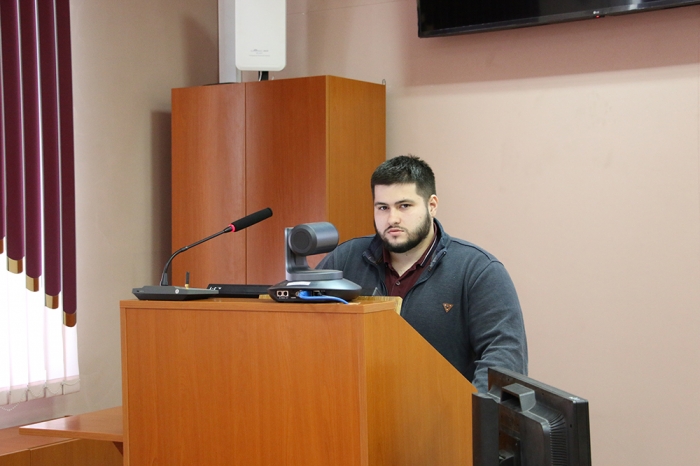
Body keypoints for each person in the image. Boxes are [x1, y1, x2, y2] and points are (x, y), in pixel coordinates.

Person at [317, 155, 527, 392]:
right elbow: (303, 328)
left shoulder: (478, 270)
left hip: (445, 412)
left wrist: (470, 411)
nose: (392, 219)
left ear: (432, 205)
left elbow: (504, 359)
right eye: (383, 208)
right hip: (355, 407)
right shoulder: (344, 260)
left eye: (404, 206)